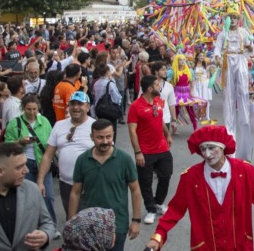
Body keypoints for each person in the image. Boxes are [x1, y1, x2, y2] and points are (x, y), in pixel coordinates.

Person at [145, 125, 254, 250]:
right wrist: (158, 236)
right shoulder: (190, 177)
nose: (207, 154)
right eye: (202, 149)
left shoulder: (244, 171)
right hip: (205, 247)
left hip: (239, 246)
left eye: (211, 147)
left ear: (223, 148)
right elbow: (175, 210)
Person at [69, 119, 142, 251]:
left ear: (113, 135)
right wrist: (71, 223)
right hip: (89, 225)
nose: (105, 141)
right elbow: (75, 193)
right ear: (92, 137)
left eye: (108, 136)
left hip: (117, 225)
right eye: (100, 137)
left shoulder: (124, 159)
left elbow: (135, 190)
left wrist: (136, 220)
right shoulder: (82, 160)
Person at [37, 91, 96, 216]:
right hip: (66, 184)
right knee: (71, 220)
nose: (75, 107)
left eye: (80, 104)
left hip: (90, 184)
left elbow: (108, 154)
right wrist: (40, 180)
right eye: (72, 104)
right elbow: (48, 156)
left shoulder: (95, 126)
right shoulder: (59, 125)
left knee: (89, 222)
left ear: (88, 107)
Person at [3, 93, 56, 226]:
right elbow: (7, 146)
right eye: (28, 109)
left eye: (34, 109)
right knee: (27, 197)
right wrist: (20, 142)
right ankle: (30, 225)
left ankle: (50, 225)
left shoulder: (44, 122)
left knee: (47, 196)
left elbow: (51, 142)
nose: (32, 112)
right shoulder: (14, 124)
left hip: (43, 163)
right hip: (24, 165)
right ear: (23, 108)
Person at [128, 75, 174, 225]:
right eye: (156, 84)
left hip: (162, 148)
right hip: (145, 152)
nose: (159, 86)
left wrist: (167, 135)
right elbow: (132, 131)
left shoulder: (158, 101)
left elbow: (159, 120)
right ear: (149, 89)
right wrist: (137, 152)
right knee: (145, 182)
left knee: (166, 175)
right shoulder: (135, 106)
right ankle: (151, 209)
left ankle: (158, 203)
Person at [213, 8, 254, 161]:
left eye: (235, 17)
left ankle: (245, 152)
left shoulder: (244, 32)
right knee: (228, 103)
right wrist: (217, 57)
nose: (233, 19)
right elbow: (217, 49)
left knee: (243, 101)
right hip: (228, 63)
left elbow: (251, 48)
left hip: (241, 62)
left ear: (239, 19)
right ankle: (231, 149)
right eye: (230, 17)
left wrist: (250, 47)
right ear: (227, 19)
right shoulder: (223, 34)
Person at [171, 54, 207, 130]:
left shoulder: (189, 71)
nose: (182, 61)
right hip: (177, 94)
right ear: (177, 61)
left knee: (190, 111)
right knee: (176, 111)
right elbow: (170, 83)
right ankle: (174, 128)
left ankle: (195, 129)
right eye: (180, 60)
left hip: (186, 94)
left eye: (184, 60)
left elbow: (191, 81)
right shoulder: (173, 72)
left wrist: (191, 91)